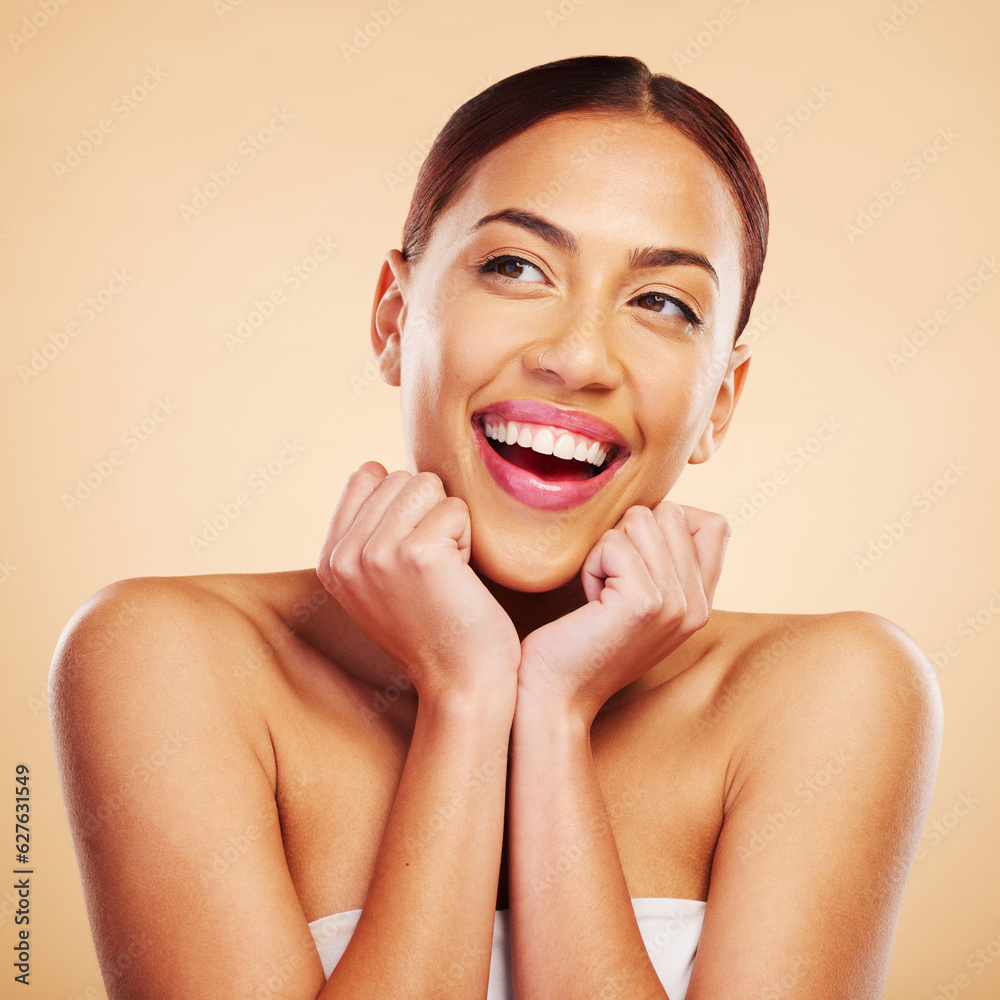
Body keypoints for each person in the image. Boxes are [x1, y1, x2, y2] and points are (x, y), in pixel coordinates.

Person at [49, 55, 943, 999]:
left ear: (721, 400)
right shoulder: (167, 660)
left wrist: (551, 715)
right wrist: (466, 698)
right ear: (393, 318)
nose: (577, 355)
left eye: (662, 302)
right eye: (517, 267)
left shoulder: (833, 696)